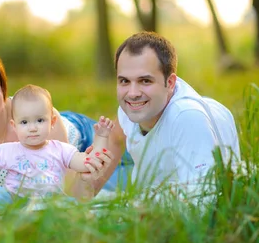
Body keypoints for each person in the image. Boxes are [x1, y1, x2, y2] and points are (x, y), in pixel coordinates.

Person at [0, 48, 132, 199]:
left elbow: (68, 190)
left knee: (135, 149)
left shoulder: (32, 122)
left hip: (80, 138)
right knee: (132, 177)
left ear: (3, 88)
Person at [97, 31, 241, 198]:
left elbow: (205, 200)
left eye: (145, 81)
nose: (133, 93)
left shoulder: (188, 118)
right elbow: (114, 139)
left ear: (170, 83)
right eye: (124, 81)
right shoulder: (128, 110)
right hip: (139, 178)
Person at [0, 84, 114, 204]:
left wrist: (101, 138)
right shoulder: (8, 150)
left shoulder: (60, 149)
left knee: (72, 204)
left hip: (50, 202)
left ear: (52, 122)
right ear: (14, 126)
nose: (32, 128)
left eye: (40, 120)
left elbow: (87, 163)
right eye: (24, 122)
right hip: (16, 201)